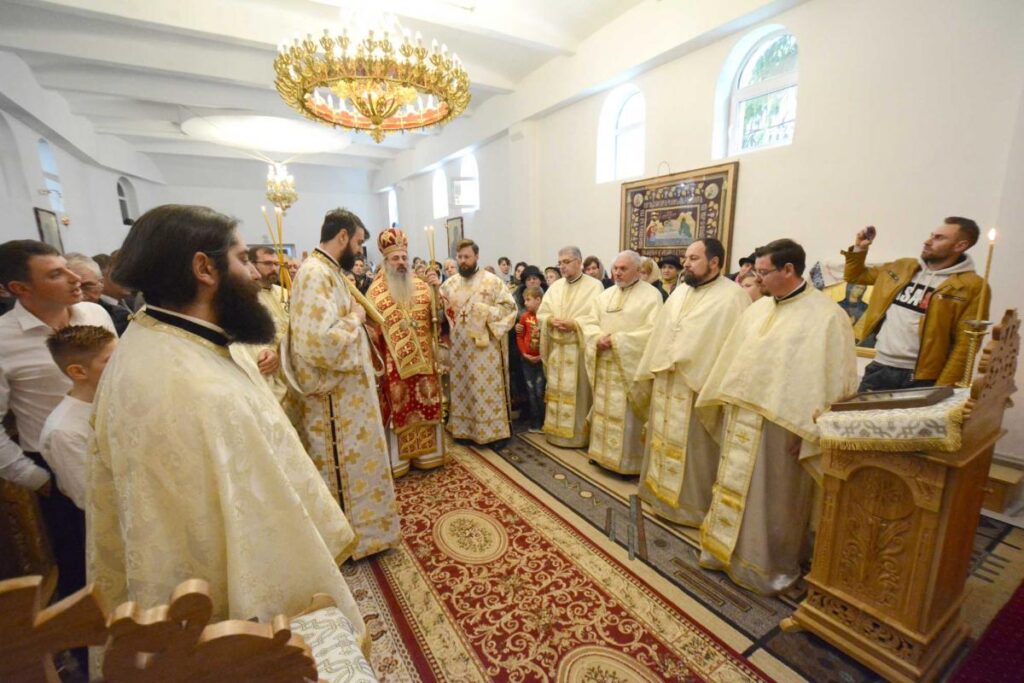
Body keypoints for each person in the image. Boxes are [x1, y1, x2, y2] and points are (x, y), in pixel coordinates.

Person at [90, 204, 366, 647]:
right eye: (241, 259)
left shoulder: (176, 337)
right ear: (204, 268)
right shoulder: (183, 386)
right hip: (233, 632)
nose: (255, 274)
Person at [697, 238, 858, 595]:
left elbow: (834, 380)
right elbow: (733, 359)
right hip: (743, 418)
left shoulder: (828, 317)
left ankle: (766, 566)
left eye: (762, 272)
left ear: (789, 270)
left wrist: (814, 431)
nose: (754, 279)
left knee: (772, 499)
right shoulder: (757, 310)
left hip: (784, 427)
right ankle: (724, 553)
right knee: (734, 489)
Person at [0, 239, 115, 599]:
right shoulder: (4, 340)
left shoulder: (94, 314)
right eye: (56, 274)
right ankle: (91, 652)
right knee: (83, 571)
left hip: (115, 449)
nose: (73, 277)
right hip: (57, 465)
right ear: (21, 288)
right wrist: (33, 477)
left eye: (67, 266)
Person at [286, 208, 400, 559]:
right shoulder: (315, 275)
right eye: (359, 242)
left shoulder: (330, 272)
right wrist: (355, 318)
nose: (360, 251)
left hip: (350, 400)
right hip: (336, 404)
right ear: (342, 237)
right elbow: (317, 344)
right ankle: (351, 540)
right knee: (347, 473)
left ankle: (367, 535)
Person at [634, 239, 749, 526]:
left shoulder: (733, 297)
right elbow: (663, 332)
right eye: (686, 257)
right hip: (667, 383)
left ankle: (691, 508)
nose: (686, 263)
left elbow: (731, 347)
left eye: (694, 258)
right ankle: (658, 496)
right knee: (662, 442)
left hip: (698, 386)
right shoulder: (681, 292)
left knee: (695, 452)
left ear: (714, 262)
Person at [843, 218, 990, 391]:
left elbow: (966, 344)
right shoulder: (902, 267)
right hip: (880, 368)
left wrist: (943, 387)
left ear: (960, 246)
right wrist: (860, 248)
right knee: (860, 418)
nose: (927, 241)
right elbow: (856, 276)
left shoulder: (972, 286)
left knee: (913, 420)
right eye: (931, 235)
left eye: (939, 238)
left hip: (923, 378)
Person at [367, 228, 445, 477]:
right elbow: (369, 330)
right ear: (385, 261)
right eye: (395, 259)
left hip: (425, 366)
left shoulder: (423, 287)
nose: (401, 263)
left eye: (404, 258)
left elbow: (439, 320)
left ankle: (428, 456)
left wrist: (438, 291)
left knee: (426, 404)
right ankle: (398, 462)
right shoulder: (374, 293)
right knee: (399, 409)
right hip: (394, 369)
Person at [578, 251, 662, 474]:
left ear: (637, 269)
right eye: (615, 268)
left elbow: (653, 332)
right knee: (603, 410)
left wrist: (618, 341)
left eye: (623, 269)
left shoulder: (651, 296)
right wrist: (596, 338)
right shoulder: (605, 296)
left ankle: (626, 463)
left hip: (628, 367)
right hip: (605, 366)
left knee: (627, 415)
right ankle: (600, 454)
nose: (617, 272)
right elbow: (589, 322)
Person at [440, 239, 517, 445]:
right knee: (463, 388)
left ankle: (495, 433)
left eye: (467, 257)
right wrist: (431, 288)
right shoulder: (449, 285)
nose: (462, 261)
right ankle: (465, 430)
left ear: (477, 257)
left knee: (487, 392)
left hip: (486, 350)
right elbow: (439, 312)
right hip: (460, 351)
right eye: (460, 257)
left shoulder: (493, 282)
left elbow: (510, 309)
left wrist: (485, 311)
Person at [40, 324, 117, 510]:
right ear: (78, 372)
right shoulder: (64, 431)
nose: (125, 364)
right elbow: (91, 498)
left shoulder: (120, 400)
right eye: (111, 360)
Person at [537, 246, 604, 448]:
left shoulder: (594, 286)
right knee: (556, 392)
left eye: (566, 262)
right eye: (560, 263)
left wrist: (575, 324)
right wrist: (549, 321)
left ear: (578, 262)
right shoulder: (556, 287)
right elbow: (542, 312)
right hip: (558, 349)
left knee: (579, 394)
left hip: (578, 349)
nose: (563, 266)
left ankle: (578, 437)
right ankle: (555, 434)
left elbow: (596, 318)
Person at [232, 245, 288, 406]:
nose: (274, 268)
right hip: (271, 371)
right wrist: (267, 350)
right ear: (252, 263)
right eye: (268, 264)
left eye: (276, 264)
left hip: (290, 367)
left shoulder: (283, 293)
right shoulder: (247, 298)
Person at [516, 285, 545, 432]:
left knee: (540, 392)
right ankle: (535, 423)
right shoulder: (524, 317)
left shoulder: (545, 317)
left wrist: (542, 355)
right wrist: (524, 353)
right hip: (527, 361)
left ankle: (544, 421)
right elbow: (520, 336)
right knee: (531, 391)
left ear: (538, 300)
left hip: (541, 361)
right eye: (524, 300)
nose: (525, 303)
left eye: (528, 300)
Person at [93, 252, 134, 335]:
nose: (126, 279)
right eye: (118, 274)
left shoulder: (130, 302)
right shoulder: (98, 311)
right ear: (101, 278)